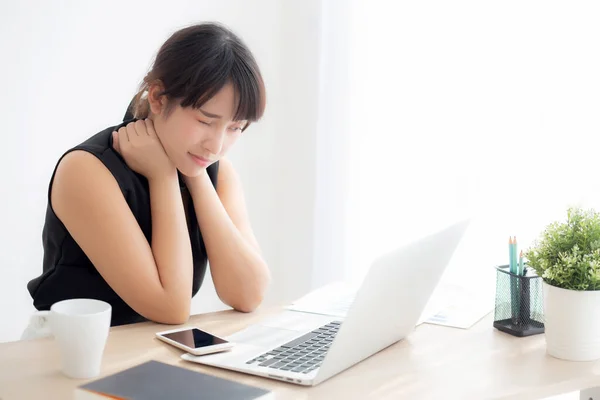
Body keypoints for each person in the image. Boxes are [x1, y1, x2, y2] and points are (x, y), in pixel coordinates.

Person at [26, 22, 271, 327]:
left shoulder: (213, 171)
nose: (217, 146)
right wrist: (163, 176)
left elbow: (249, 294)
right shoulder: (87, 170)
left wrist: (194, 177)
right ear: (157, 98)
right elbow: (170, 307)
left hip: (151, 349)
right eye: (205, 121)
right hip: (70, 354)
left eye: (235, 128)